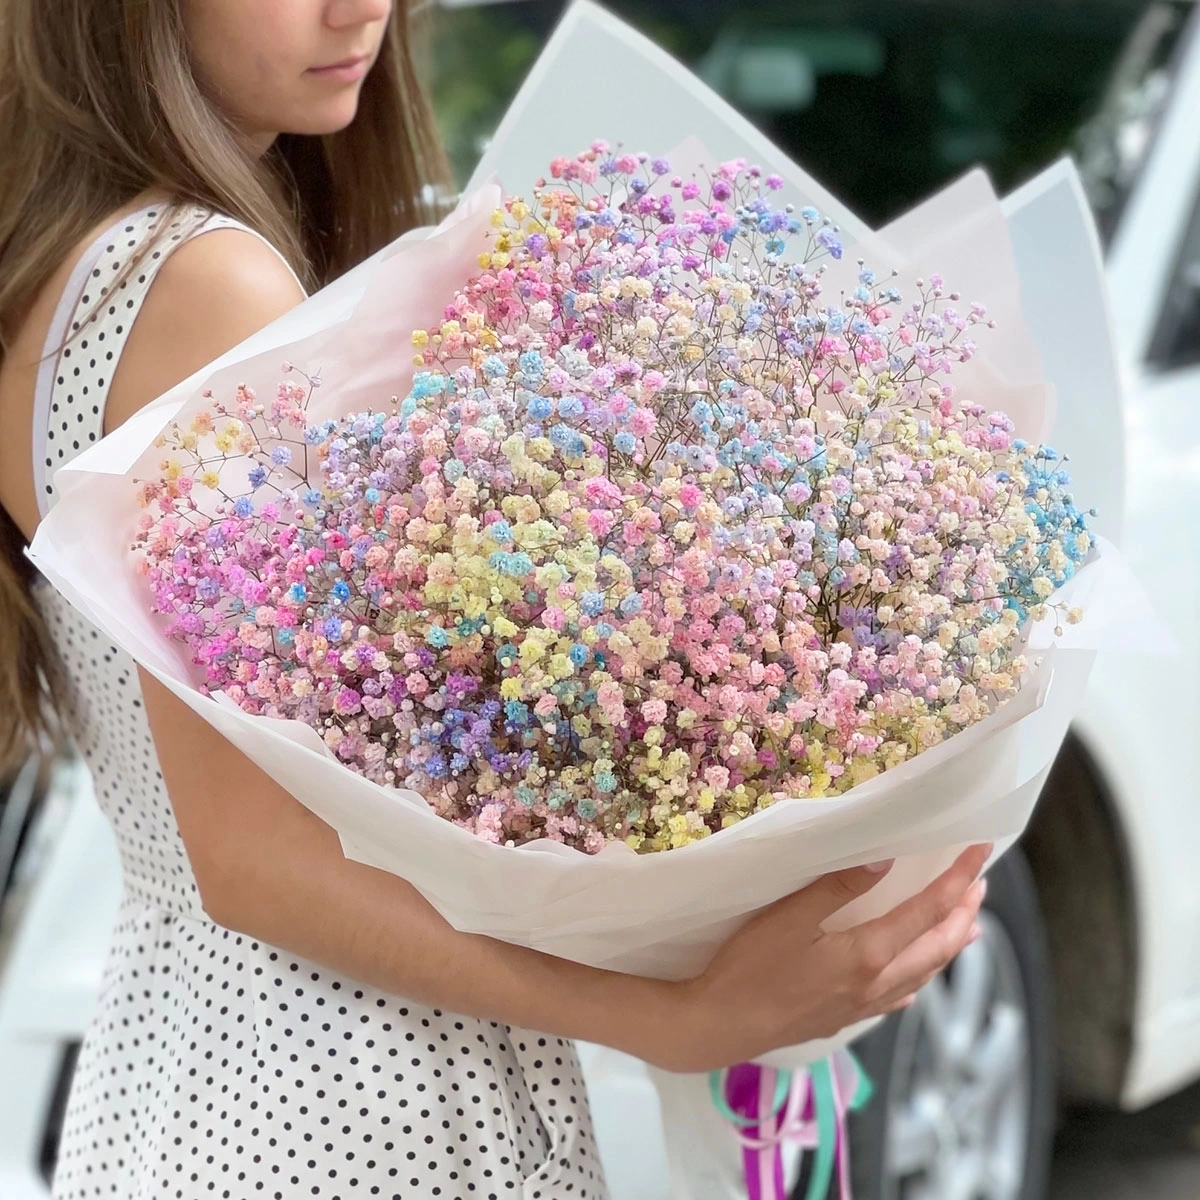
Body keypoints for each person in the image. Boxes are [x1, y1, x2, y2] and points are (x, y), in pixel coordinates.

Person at [0, 2, 989, 1196]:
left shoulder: (71, 278)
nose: (359, 6)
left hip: (188, 1061)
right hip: (348, 1101)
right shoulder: (205, 282)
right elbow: (252, 855)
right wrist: (673, 1013)